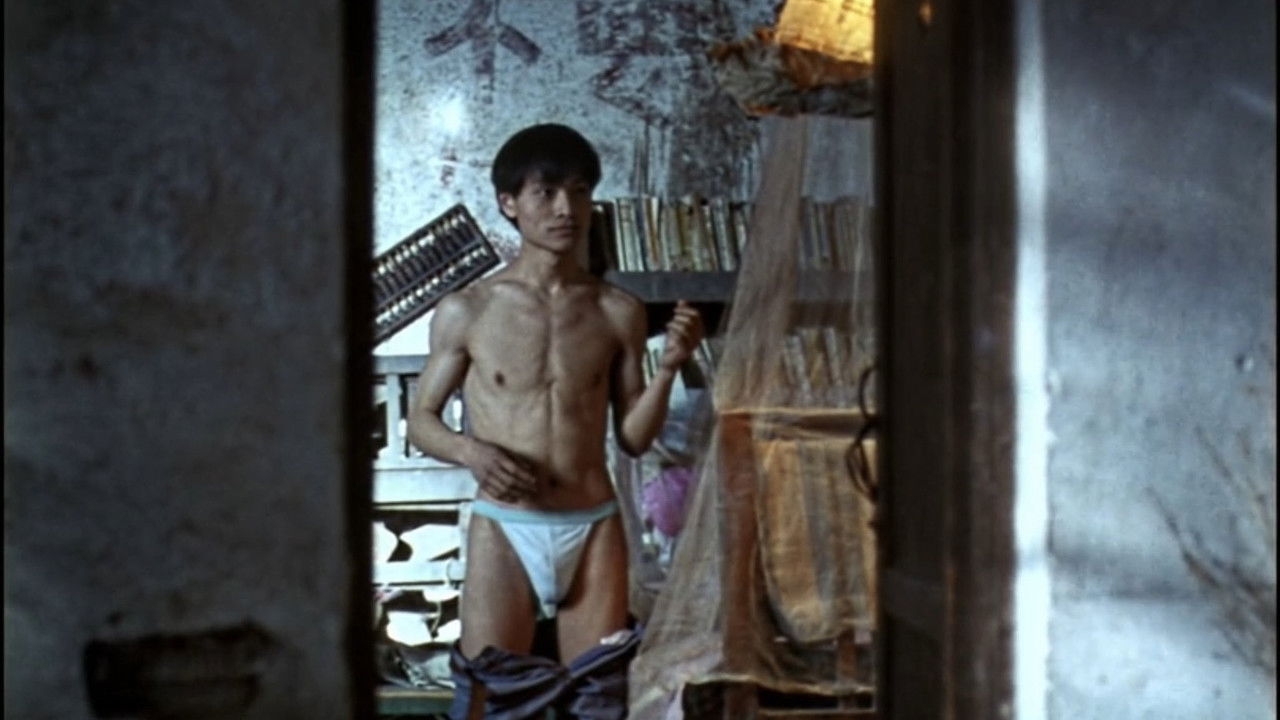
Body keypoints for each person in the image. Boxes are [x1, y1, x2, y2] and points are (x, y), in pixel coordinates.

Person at [406, 123, 704, 719]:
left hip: (591, 523)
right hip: (505, 525)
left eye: (579, 191)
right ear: (509, 203)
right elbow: (421, 420)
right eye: (545, 193)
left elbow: (633, 438)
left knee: (596, 700)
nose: (566, 209)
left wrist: (670, 366)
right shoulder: (468, 309)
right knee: (490, 698)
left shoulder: (617, 310)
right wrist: (473, 452)